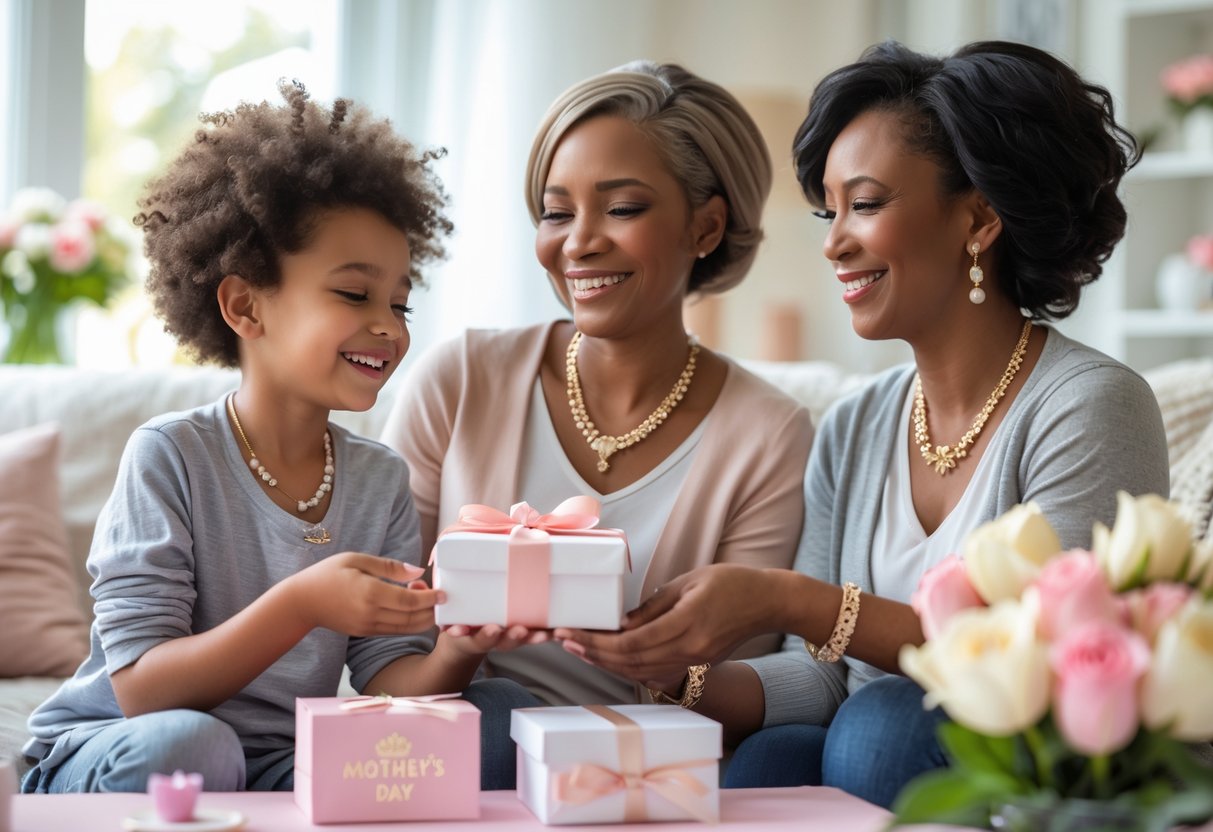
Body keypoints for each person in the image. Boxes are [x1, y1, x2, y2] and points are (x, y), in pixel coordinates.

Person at [554, 40, 1170, 807]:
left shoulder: (1089, 403)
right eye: (829, 209)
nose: (833, 241)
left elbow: (1052, 667)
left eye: (866, 204)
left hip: (1024, 773)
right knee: (771, 757)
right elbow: (815, 677)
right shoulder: (854, 425)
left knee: (881, 722)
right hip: (868, 749)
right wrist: (671, 671)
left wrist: (786, 599)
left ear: (978, 219)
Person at [21, 80, 533, 794]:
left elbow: (393, 678)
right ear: (244, 306)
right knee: (195, 745)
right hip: (133, 746)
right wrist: (304, 603)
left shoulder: (377, 478)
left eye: (399, 301)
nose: (388, 325)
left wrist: (459, 645)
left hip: (286, 765)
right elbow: (142, 691)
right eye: (354, 294)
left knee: (506, 714)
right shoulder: (169, 456)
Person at [382, 61, 812, 729]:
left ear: (705, 228)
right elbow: (384, 645)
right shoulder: (459, 379)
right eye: (556, 213)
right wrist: (460, 650)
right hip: (471, 745)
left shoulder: (769, 432)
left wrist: (666, 667)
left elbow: (747, 673)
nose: (577, 242)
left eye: (622, 208)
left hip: (657, 768)